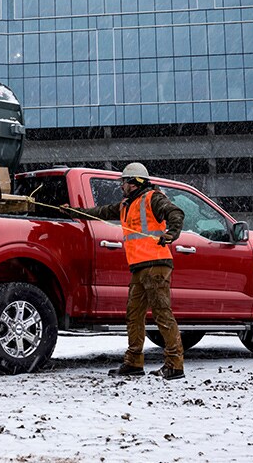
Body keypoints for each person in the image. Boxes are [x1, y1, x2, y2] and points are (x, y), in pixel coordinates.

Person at [62, 163, 187, 380]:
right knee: (134, 315)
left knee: (161, 314)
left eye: (124, 182)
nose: (121, 186)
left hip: (156, 264)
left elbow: (175, 212)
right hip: (139, 267)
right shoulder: (126, 205)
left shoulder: (152, 198)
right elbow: (99, 212)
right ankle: (134, 363)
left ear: (135, 182)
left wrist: (171, 233)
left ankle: (175, 365)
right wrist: (74, 212)